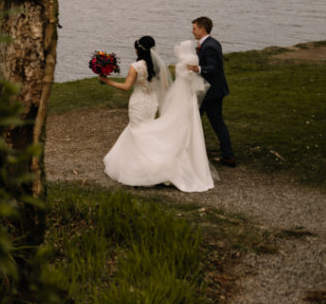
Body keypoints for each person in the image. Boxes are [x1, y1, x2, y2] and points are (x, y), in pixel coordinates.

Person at [100, 37, 216, 192]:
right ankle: (142, 165)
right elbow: (165, 86)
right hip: (151, 103)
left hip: (138, 103)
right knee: (144, 129)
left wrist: (107, 82)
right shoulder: (157, 67)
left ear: (138, 50)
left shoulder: (135, 66)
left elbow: (126, 86)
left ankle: (146, 169)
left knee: (138, 132)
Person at [187, 16, 235, 166]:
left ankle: (188, 151)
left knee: (194, 120)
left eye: (194, 28)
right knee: (214, 122)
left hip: (210, 93)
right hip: (213, 91)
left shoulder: (208, 46)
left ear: (202, 29)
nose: (192, 31)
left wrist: (198, 68)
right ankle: (228, 155)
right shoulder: (211, 43)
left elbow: (214, 68)